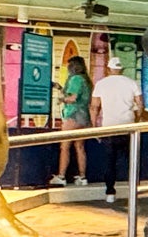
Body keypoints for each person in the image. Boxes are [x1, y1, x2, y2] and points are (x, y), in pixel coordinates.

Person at [90, 57, 142, 203]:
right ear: (122, 69)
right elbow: (140, 104)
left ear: (108, 69)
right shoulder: (131, 83)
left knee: (110, 162)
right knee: (131, 161)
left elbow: (94, 107)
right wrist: (136, 119)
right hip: (128, 126)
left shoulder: (101, 84)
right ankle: (133, 190)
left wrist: (94, 127)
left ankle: (110, 192)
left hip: (109, 127)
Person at [50, 57, 92, 187]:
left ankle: (61, 176)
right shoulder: (86, 80)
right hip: (84, 117)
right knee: (80, 147)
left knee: (65, 147)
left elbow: (73, 98)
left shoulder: (75, 79)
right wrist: (59, 87)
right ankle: (82, 177)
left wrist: (61, 99)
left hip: (73, 116)